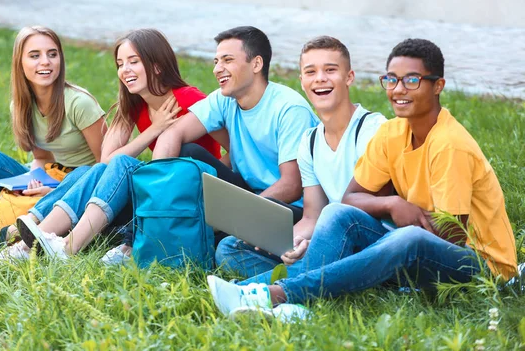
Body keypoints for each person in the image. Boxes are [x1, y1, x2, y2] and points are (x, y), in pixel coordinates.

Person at [206, 38, 518, 319]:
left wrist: (392, 233)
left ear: (437, 86)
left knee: (407, 239)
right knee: (338, 213)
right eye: (391, 80)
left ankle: (277, 294)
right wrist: (393, 204)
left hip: (480, 267)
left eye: (412, 80)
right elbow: (350, 198)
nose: (398, 89)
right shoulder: (394, 132)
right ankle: (273, 299)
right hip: (406, 246)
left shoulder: (449, 144)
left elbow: (452, 236)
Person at [9, 28, 224, 260]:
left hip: (185, 195)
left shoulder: (189, 98)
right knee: (97, 170)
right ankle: (32, 243)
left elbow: (231, 149)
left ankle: (67, 247)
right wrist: (154, 130)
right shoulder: (134, 104)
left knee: (120, 164)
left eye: (133, 61)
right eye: (120, 64)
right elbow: (106, 160)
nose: (125, 70)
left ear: (157, 66)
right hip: (155, 196)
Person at [215, 36, 386, 278]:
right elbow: (312, 217)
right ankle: (319, 276)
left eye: (330, 70)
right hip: (329, 237)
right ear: (303, 81)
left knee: (338, 213)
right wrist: (294, 244)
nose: (320, 78)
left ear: (349, 77)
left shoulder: (373, 129)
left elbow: (369, 209)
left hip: (373, 239)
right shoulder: (310, 141)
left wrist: (319, 240)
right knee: (230, 248)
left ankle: (275, 288)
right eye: (311, 72)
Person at [0, 26, 106, 254]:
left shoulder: (79, 103)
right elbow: (41, 158)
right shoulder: (21, 106)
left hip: (82, 181)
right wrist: (32, 181)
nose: (46, 62)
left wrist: (50, 190)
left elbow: (105, 168)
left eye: (52, 54)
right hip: (54, 174)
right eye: (35, 55)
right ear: (20, 62)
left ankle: (4, 234)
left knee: (84, 174)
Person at [152, 26, 318, 251]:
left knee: (222, 247)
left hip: (289, 209)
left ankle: (209, 235)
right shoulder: (223, 99)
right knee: (188, 154)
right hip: (248, 194)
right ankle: (160, 225)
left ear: (256, 64)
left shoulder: (288, 108)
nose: (217, 69)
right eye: (216, 62)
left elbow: (291, 186)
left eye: (227, 60)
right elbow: (173, 133)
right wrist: (156, 192)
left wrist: (236, 215)